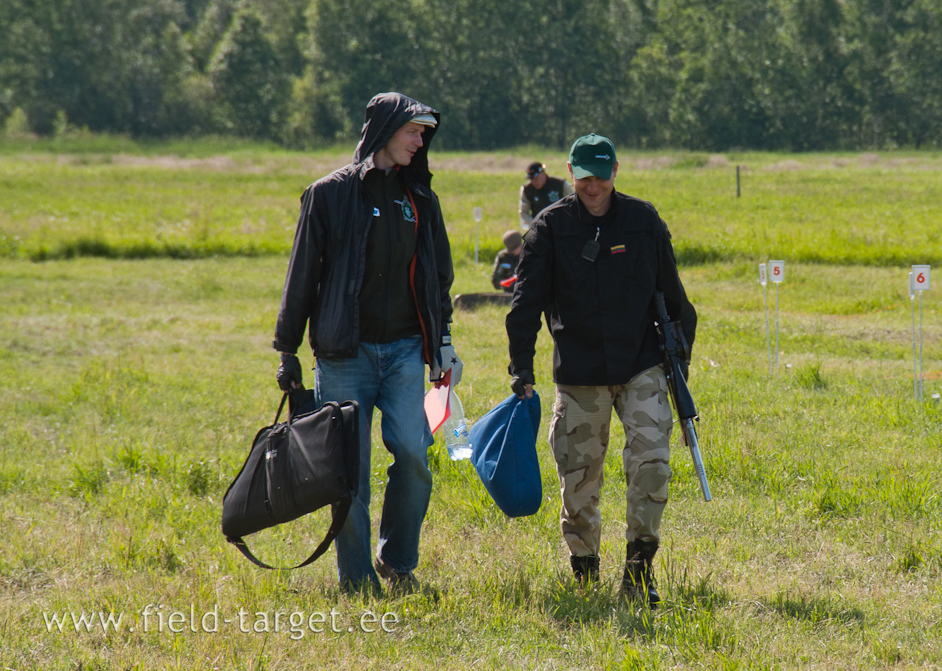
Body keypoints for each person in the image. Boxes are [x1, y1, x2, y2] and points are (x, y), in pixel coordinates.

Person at [273, 92, 462, 597]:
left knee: (413, 453)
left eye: (425, 134)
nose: (421, 141)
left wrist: (442, 343)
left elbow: (438, 278)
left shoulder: (420, 198)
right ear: (385, 130)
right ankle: (356, 581)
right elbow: (302, 276)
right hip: (343, 354)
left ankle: (397, 561)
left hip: (405, 351)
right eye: (413, 131)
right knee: (348, 471)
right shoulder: (328, 194)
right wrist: (288, 349)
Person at [505, 133, 696, 606]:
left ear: (616, 171)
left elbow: (675, 300)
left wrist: (680, 361)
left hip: (642, 364)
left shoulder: (643, 220)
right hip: (579, 370)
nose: (593, 187)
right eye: (584, 177)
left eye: (601, 176)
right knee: (579, 478)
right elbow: (524, 305)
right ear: (570, 174)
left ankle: (639, 569)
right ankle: (585, 571)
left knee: (652, 463)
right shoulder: (549, 229)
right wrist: (521, 367)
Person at [518, 161, 573, 232]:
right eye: (531, 179)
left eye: (536, 178)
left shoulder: (560, 184)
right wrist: (535, 225)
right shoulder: (527, 190)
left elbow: (575, 202)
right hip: (540, 230)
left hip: (562, 226)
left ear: (543, 174)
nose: (534, 182)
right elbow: (523, 212)